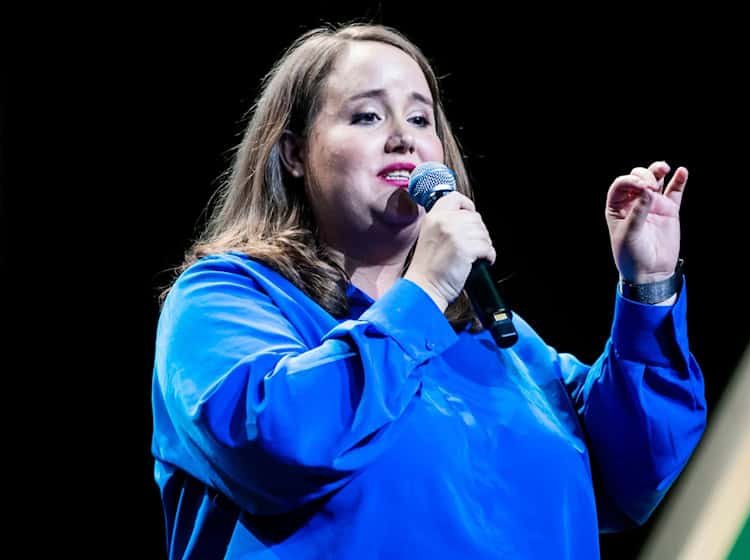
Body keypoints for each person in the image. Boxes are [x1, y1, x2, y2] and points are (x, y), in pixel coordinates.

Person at [151, 22, 706, 559]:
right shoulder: (224, 298)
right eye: (367, 116)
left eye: (421, 118)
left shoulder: (493, 341)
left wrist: (647, 288)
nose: (403, 139)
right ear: (294, 153)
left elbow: (635, 471)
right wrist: (425, 290)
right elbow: (272, 442)